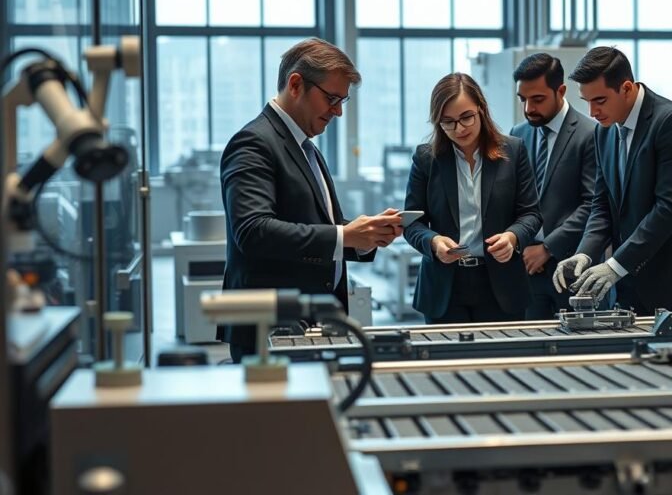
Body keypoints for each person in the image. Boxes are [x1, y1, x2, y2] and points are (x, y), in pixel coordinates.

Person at [219, 38, 403, 362]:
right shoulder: (254, 142)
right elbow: (253, 230)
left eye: (343, 101)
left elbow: (315, 225)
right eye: (332, 98)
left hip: (312, 325)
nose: (339, 111)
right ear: (295, 84)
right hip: (271, 330)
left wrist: (365, 238)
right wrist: (345, 235)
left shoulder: (307, 146)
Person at [552, 46, 672, 315]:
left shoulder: (670, 122)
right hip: (625, 278)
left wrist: (615, 264)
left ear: (627, 88)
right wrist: (584, 253)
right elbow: (602, 203)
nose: (592, 111)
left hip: (671, 282)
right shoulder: (603, 133)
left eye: (600, 100)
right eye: (586, 101)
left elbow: (669, 207)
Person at [403, 72, 542, 323]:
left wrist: (512, 237)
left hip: (501, 286)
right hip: (444, 286)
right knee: (448, 362)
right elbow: (411, 223)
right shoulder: (426, 158)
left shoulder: (513, 151)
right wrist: (434, 242)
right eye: (448, 122)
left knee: (502, 362)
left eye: (466, 117)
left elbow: (531, 214)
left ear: (481, 109)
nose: (459, 129)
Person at [509, 53, 597, 319]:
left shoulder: (591, 133)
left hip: (571, 267)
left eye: (537, 99)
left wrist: (547, 248)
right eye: (523, 100)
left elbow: (593, 203)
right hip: (526, 267)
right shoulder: (518, 134)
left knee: (574, 351)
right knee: (529, 349)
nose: (528, 109)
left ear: (561, 91)